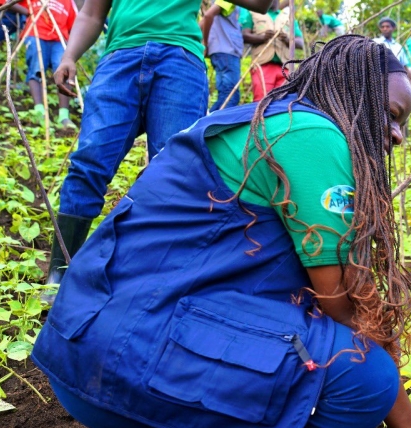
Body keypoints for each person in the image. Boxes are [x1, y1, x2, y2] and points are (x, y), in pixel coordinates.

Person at [32, 37, 411, 428]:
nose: (397, 135)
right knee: (368, 379)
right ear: (354, 95)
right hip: (124, 360)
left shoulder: (270, 123)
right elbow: (345, 303)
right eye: (391, 114)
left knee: (327, 368)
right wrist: (393, 412)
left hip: (96, 351)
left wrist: (327, 417)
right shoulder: (313, 135)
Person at [43, 0, 273, 303]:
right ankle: (60, 271)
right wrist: (69, 56)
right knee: (89, 160)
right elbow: (91, 12)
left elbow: (260, 4)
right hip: (119, 58)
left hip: (180, 62)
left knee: (174, 172)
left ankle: (153, 280)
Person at [20, 0, 77, 129]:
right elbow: (2, 2)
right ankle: (39, 110)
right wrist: (28, 12)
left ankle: (64, 116)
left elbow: (74, 24)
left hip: (59, 39)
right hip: (35, 34)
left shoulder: (68, 2)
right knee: (36, 68)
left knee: (64, 71)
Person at [239, 0, 303, 102]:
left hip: (285, 68)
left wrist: (287, 39)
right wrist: (262, 38)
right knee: (262, 101)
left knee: (284, 103)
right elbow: (244, 35)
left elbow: (300, 43)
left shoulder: (288, 17)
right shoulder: (252, 14)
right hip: (262, 66)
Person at [202, 0, 244, 111]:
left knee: (225, 93)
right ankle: (212, 122)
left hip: (221, 51)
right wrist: (205, 43)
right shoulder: (226, 1)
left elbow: (203, 21)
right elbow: (208, 16)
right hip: (227, 50)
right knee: (231, 96)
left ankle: (208, 119)